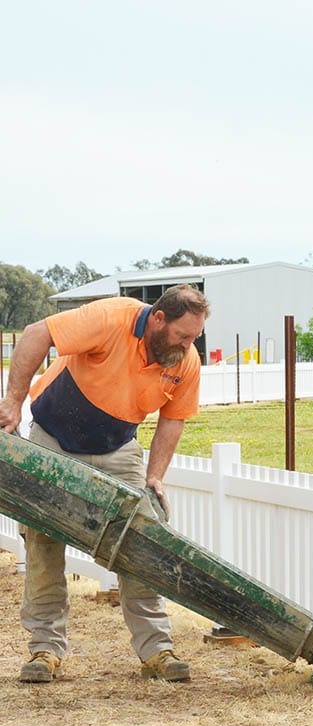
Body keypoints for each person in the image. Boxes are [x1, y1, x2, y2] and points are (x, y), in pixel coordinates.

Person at [0, 284, 210, 683]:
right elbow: (35, 333)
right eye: (183, 335)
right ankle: (45, 649)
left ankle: (157, 650)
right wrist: (13, 400)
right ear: (158, 318)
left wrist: (154, 477)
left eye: (194, 338)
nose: (187, 345)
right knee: (43, 539)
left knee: (141, 542)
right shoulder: (112, 317)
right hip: (54, 438)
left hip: (119, 447)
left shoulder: (185, 361)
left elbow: (174, 417)